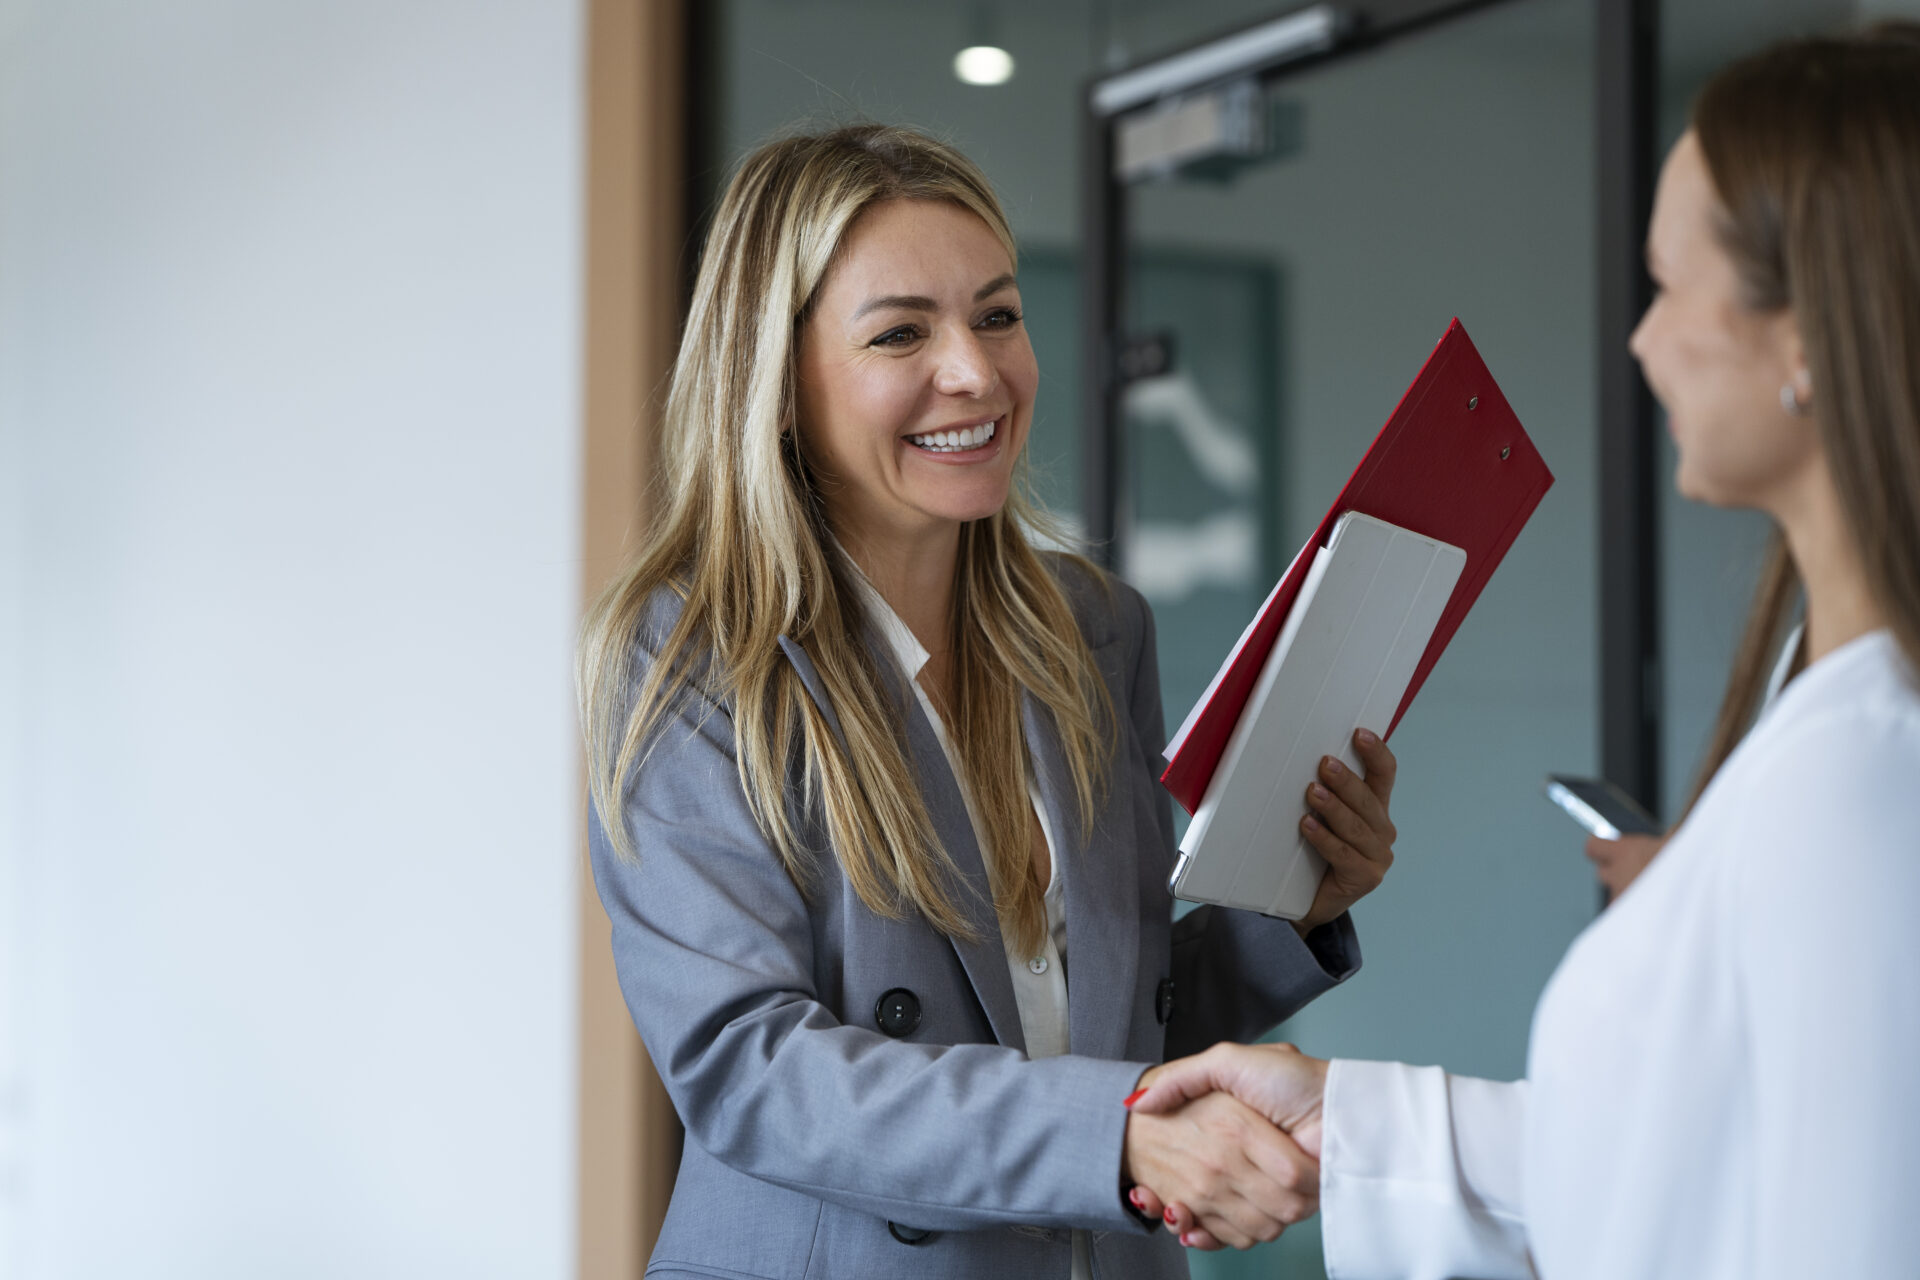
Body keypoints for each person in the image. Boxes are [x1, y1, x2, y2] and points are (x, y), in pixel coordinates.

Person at [1129, 25, 1920, 1279]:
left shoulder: (1866, 770)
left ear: (1809, 330)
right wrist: (1351, 1120)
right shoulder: (1828, 715)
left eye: (1668, 288)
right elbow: (1674, 1160)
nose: (1641, 342)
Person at [576, 124, 1406, 1279]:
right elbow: (750, 1068)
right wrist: (1110, 1137)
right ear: (775, 379)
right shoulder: (691, 659)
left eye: (999, 315)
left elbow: (1110, 1019)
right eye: (901, 331)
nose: (974, 371)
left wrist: (1291, 908)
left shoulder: (1094, 628)